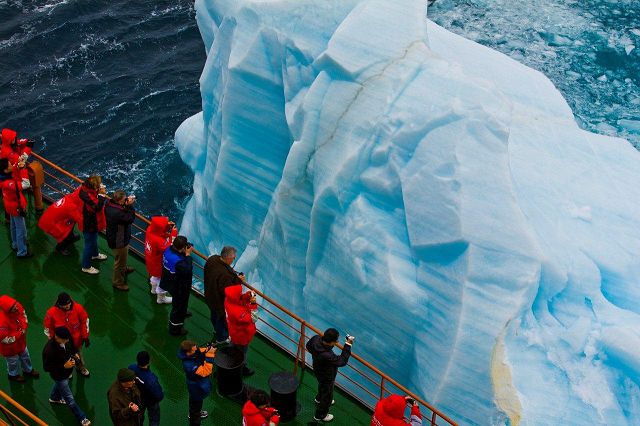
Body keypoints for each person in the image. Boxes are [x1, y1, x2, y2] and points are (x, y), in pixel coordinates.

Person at [42, 326, 91, 426]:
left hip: (66, 373)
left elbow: (72, 347)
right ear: (57, 337)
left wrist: (75, 353)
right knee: (70, 398)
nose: (68, 340)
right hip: (59, 375)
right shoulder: (49, 350)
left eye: (68, 338)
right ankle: (82, 417)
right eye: (65, 339)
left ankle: (54, 398)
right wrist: (64, 366)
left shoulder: (67, 339)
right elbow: (47, 368)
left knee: (60, 385)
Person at [306, 328, 354, 422]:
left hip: (317, 369)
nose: (337, 342)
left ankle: (319, 399)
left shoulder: (316, 339)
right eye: (336, 340)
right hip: (327, 375)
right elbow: (342, 361)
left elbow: (308, 346)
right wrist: (348, 345)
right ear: (332, 342)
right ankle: (320, 415)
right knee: (327, 395)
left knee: (322, 385)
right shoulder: (327, 355)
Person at [204, 246, 244, 344]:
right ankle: (221, 338)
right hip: (218, 301)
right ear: (228, 258)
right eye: (233, 258)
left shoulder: (213, 259)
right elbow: (228, 290)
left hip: (209, 293)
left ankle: (216, 329)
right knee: (220, 318)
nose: (233, 260)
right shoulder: (224, 274)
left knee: (214, 314)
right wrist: (239, 281)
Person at [44, 292, 91, 377]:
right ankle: (68, 371)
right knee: (64, 358)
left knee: (79, 356)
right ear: (59, 304)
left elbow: (85, 321)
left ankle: (81, 367)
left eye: (69, 303)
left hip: (77, 342)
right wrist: (53, 342)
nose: (68, 306)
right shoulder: (51, 313)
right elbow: (48, 329)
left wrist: (85, 336)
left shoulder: (78, 308)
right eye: (65, 305)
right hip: (62, 343)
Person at [0, 295, 39, 382]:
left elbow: (24, 316)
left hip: (21, 343)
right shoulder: (2, 322)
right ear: (8, 310)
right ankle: (13, 375)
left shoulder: (18, 307)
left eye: (15, 304)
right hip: (10, 348)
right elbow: (4, 339)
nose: (16, 307)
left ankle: (28, 370)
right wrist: (19, 333)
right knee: (13, 362)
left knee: (25, 356)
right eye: (13, 307)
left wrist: (24, 327)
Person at [159, 236, 193, 336]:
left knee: (180, 303)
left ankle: (182, 311)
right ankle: (175, 328)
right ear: (182, 248)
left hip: (169, 281)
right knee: (178, 306)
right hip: (178, 286)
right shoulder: (179, 262)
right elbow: (187, 269)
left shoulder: (168, 249)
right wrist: (188, 255)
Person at [177, 340, 216, 425]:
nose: (196, 350)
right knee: (196, 401)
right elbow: (206, 371)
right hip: (196, 387)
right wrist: (210, 355)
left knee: (196, 401)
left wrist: (208, 349)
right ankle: (194, 418)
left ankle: (195, 412)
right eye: (194, 350)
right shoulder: (189, 365)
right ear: (188, 353)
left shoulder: (192, 353)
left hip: (197, 385)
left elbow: (199, 350)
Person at [105, 190, 136, 291]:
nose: (126, 200)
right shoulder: (118, 213)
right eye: (124, 199)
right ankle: (117, 282)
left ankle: (124, 268)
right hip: (119, 241)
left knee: (122, 258)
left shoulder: (109, 204)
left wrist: (125, 205)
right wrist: (130, 206)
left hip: (114, 236)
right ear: (119, 201)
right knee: (119, 262)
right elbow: (130, 219)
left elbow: (121, 213)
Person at [0, 158, 32, 258]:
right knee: (20, 230)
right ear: (5, 170)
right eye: (9, 165)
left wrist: (18, 164)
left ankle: (15, 244)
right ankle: (22, 252)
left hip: (9, 205)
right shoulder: (7, 183)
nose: (11, 165)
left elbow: (12, 168)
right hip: (15, 207)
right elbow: (26, 184)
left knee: (13, 226)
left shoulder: (3, 176)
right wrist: (23, 169)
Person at [224, 284, 258, 376]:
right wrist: (253, 305)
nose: (240, 293)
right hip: (242, 335)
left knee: (233, 345)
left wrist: (247, 295)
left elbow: (239, 299)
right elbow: (253, 319)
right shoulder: (237, 312)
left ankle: (230, 357)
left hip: (234, 331)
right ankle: (242, 368)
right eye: (239, 293)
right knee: (242, 352)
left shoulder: (228, 300)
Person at [77, 175, 107, 274]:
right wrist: (102, 196)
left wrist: (97, 191)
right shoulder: (87, 197)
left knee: (93, 239)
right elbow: (97, 207)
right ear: (93, 187)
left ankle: (95, 254)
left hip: (89, 221)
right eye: (98, 185)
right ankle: (86, 266)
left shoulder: (85, 190)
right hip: (89, 223)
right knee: (89, 244)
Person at [38, 191, 82, 255]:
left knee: (71, 222)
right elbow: (80, 220)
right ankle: (60, 248)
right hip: (50, 223)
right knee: (65, 234)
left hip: (47, 218)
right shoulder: (72, 207)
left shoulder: (69, 197)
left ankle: (70, 237)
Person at [144, 216, 176, 304]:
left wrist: (167, 227)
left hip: (150, 260)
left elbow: (160, 233)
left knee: (155, 277)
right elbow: (171, 248)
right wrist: (173, 234)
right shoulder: (159, 241)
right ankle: (161, 299)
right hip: (159, 264)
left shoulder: (149, 229)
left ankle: (153, 290)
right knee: (162, 280)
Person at [128, 351, 163, 426]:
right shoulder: (151, 379)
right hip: (151, 401)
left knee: (138, 416)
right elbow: (159, 395)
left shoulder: (131, 368)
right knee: (154, 419)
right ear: (149, 362)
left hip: (138, 398)